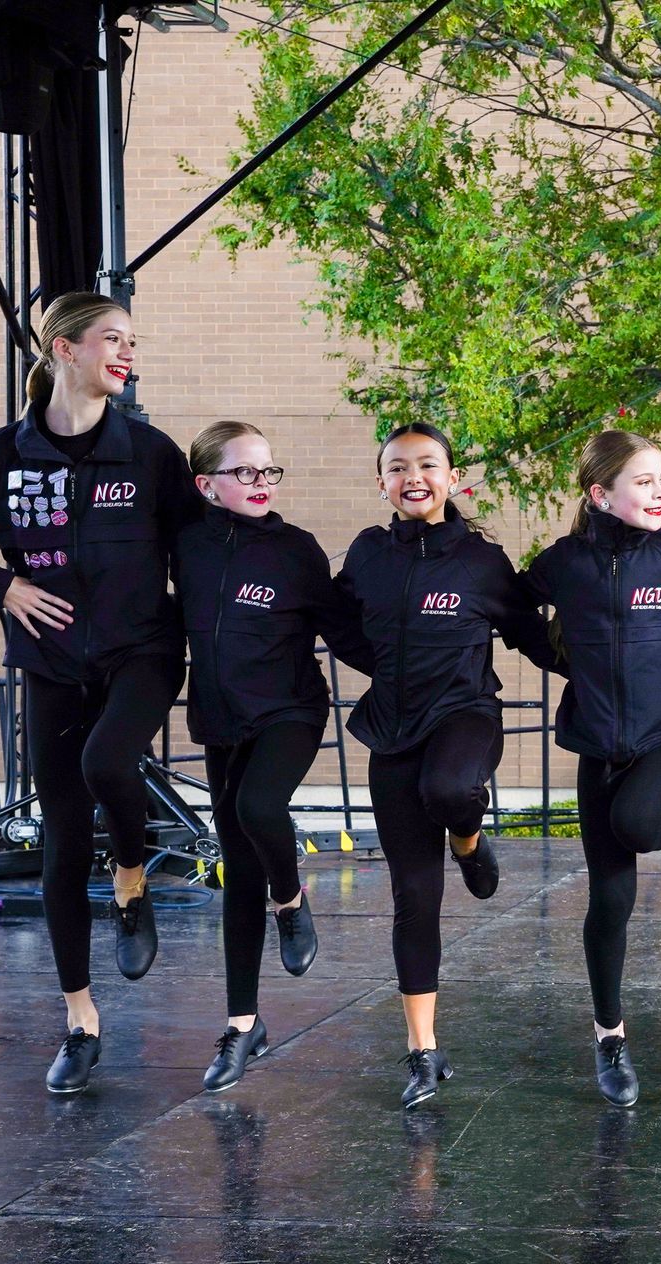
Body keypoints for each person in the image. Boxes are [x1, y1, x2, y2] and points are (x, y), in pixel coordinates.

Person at [0, 292, 203, 1093]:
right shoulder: (3, 455)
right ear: (64, 349)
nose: (128, 353)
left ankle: (134, 883)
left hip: (142, 651)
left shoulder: (150, 453)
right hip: (50, 665)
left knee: (111, 760)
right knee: (64, 835)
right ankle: (80, 1021)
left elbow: (198, 550)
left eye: (133, 342)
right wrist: (0, 586)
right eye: (114, 339)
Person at [512, 429, 661, 1106]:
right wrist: (562, 661)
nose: (660, 492)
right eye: (644, 481)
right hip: (600, 742)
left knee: (639, 820)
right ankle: (610, 1039)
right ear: (600, 493)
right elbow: (512, 607)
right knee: (609, 902)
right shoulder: (566, 563)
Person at [334, 422, 534, 1108]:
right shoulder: (367, 553)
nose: (412, 476)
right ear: (382, 482)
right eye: (398, 467)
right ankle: (423, 1050)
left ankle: (470, 840)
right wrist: (387, 666)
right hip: (392, 731)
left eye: (427, 465)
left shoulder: (481, 560)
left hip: (464, 717)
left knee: (450, 790)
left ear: (453, 478)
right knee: (415, 899)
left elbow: (535, 635)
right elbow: (338, 622)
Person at [175, 419, 372, 1092]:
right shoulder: (186, 548)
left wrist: (415, 668)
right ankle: (241, 1026)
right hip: (222, 723)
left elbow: (345, 631)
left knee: (259, 806)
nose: (261, 483)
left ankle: (291, 900)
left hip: (291, 711)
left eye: (268, 471)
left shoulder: (295, 551)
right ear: (207, 485)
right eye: (245, 473)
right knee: (237, 869)